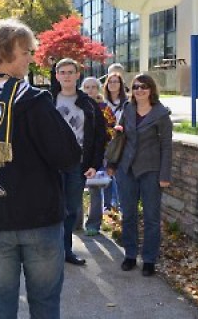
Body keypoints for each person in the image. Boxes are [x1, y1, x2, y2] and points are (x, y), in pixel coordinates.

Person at [0, 19, 81, 318]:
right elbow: (67, 156)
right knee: (45, 304)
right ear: (4, 52)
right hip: (40, 221)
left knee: (0, 306)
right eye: (26, 51)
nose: (31, 57)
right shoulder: (34, 100)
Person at [108, 73, 172, 277]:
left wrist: (164, 175)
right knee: (129, 215)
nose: (139, 90)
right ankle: (130, 254)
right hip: (127, 170)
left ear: (151, 89)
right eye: (136, 87)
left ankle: (150, 259)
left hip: (151, 171)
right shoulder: (128, 109)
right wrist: (113, 163)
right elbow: (120, 137)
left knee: (152, 217)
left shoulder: (161, 114)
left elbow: (167, 147)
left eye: (144, 86)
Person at [54, 58, 106, 266]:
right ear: (57, 76)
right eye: (62, 72)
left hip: (78, 164)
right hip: (52, 164)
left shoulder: (89, 104)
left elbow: (100, 135)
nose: (66, 76)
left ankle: (66, 250)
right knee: (51, 208)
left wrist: (94, 164)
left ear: (77, 76)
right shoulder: (48, 101)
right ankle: (51, 250)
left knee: (71, 209)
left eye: (70, 72)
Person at [81, 77, 116, 236]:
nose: (90, 90)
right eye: (87, 87)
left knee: (95, 189)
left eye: (93, 87)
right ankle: (75, 222)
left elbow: (112, 129)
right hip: (79, 153)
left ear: (98, 89)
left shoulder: (104, 108)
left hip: (98, 153)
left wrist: (100, 135)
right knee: (75, 189)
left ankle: (93, 223)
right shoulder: (77, 106)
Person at [102, 72, 128, 212]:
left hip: (121, 144)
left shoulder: (127, 103)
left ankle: (121, 205)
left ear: (121, 84)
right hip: (105, 143)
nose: (113, 84)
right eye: (110, 81)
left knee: (121, 177)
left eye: (116, 81)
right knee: (107, 175)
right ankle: (108, 205)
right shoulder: (102, 102)